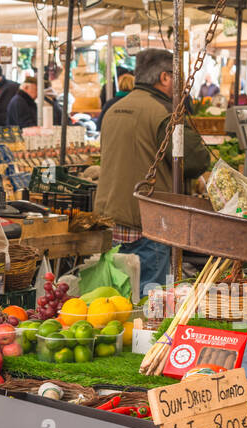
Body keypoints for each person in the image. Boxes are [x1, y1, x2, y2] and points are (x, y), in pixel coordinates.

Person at [94, 47, 209, 288]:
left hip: (113, 219)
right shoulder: (163, 112)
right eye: (179, 77)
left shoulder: (113, 109)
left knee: (118, 297)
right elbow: (196, 160)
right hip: (149, 222)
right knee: (150, 303)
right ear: (165, 77)